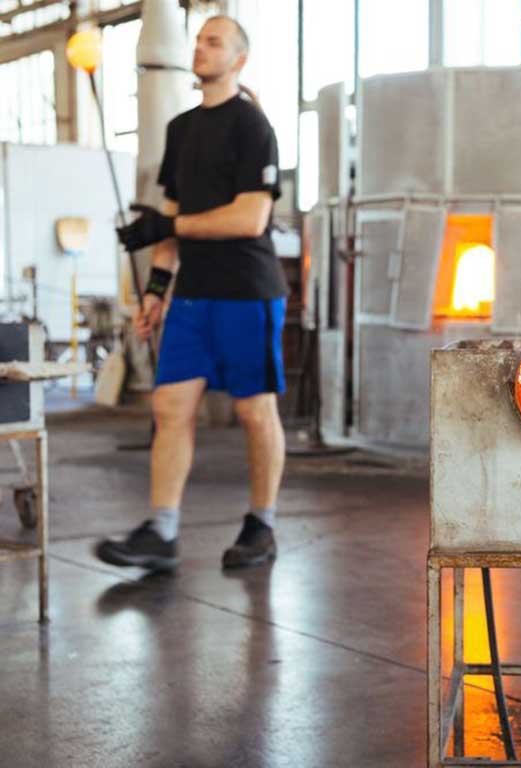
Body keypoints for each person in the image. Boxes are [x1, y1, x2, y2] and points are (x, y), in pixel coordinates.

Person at [96, 15, 286, 572]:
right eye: (198, 40)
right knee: (170, 405)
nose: (201, 48)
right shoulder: (179, 130)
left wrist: (168, 225)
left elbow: (250, 218)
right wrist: (156, 290)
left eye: (214, 41)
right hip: (192, 297)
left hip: (247, 292)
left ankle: (261, 524)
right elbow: (170, 220)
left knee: (254, 411)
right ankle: (162, 530)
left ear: (239, 60)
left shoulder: (253, 126)